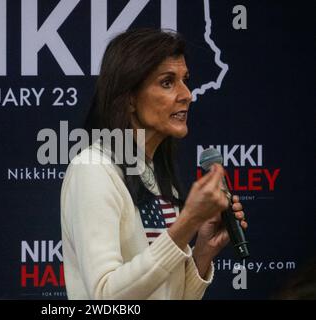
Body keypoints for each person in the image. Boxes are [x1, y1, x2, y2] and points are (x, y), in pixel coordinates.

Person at [60, 28, 247, 300]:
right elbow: (105, 296)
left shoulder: (155, 173)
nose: (187, 95)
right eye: (167, 82)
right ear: (130, 98)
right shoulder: (93, 169)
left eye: (185, 80)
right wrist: (187, 222)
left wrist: (204, 250)